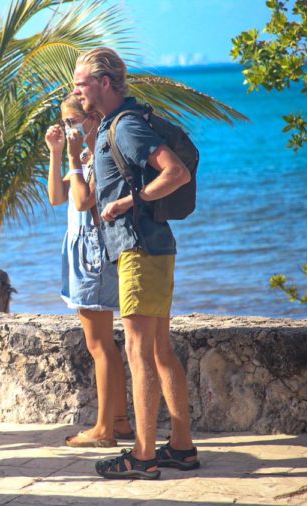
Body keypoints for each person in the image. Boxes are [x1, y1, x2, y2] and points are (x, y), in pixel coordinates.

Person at [72, 48, 199, 480]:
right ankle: (180, 448)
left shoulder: (125, 126)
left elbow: (175, 172)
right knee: (160, 349)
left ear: (105, 83)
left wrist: (131, 200)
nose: (76, 90)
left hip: (140, 249)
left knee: (139, 350)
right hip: (152, 247)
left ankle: (143, 456)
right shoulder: (116, 124)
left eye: (82, 82)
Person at [45, 95, 134, 447]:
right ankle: (120, 423)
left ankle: (104, 430)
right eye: (65, 124)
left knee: (100, 345)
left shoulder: (98, 154)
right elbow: (57, 197)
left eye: (73, 123)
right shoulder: (84, 156)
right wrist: (57, 153)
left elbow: (83, 201)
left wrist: (72, 156)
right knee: (101, 344)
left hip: (94, 252)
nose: (69, 130)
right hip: (82, 250)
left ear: (91, 119)